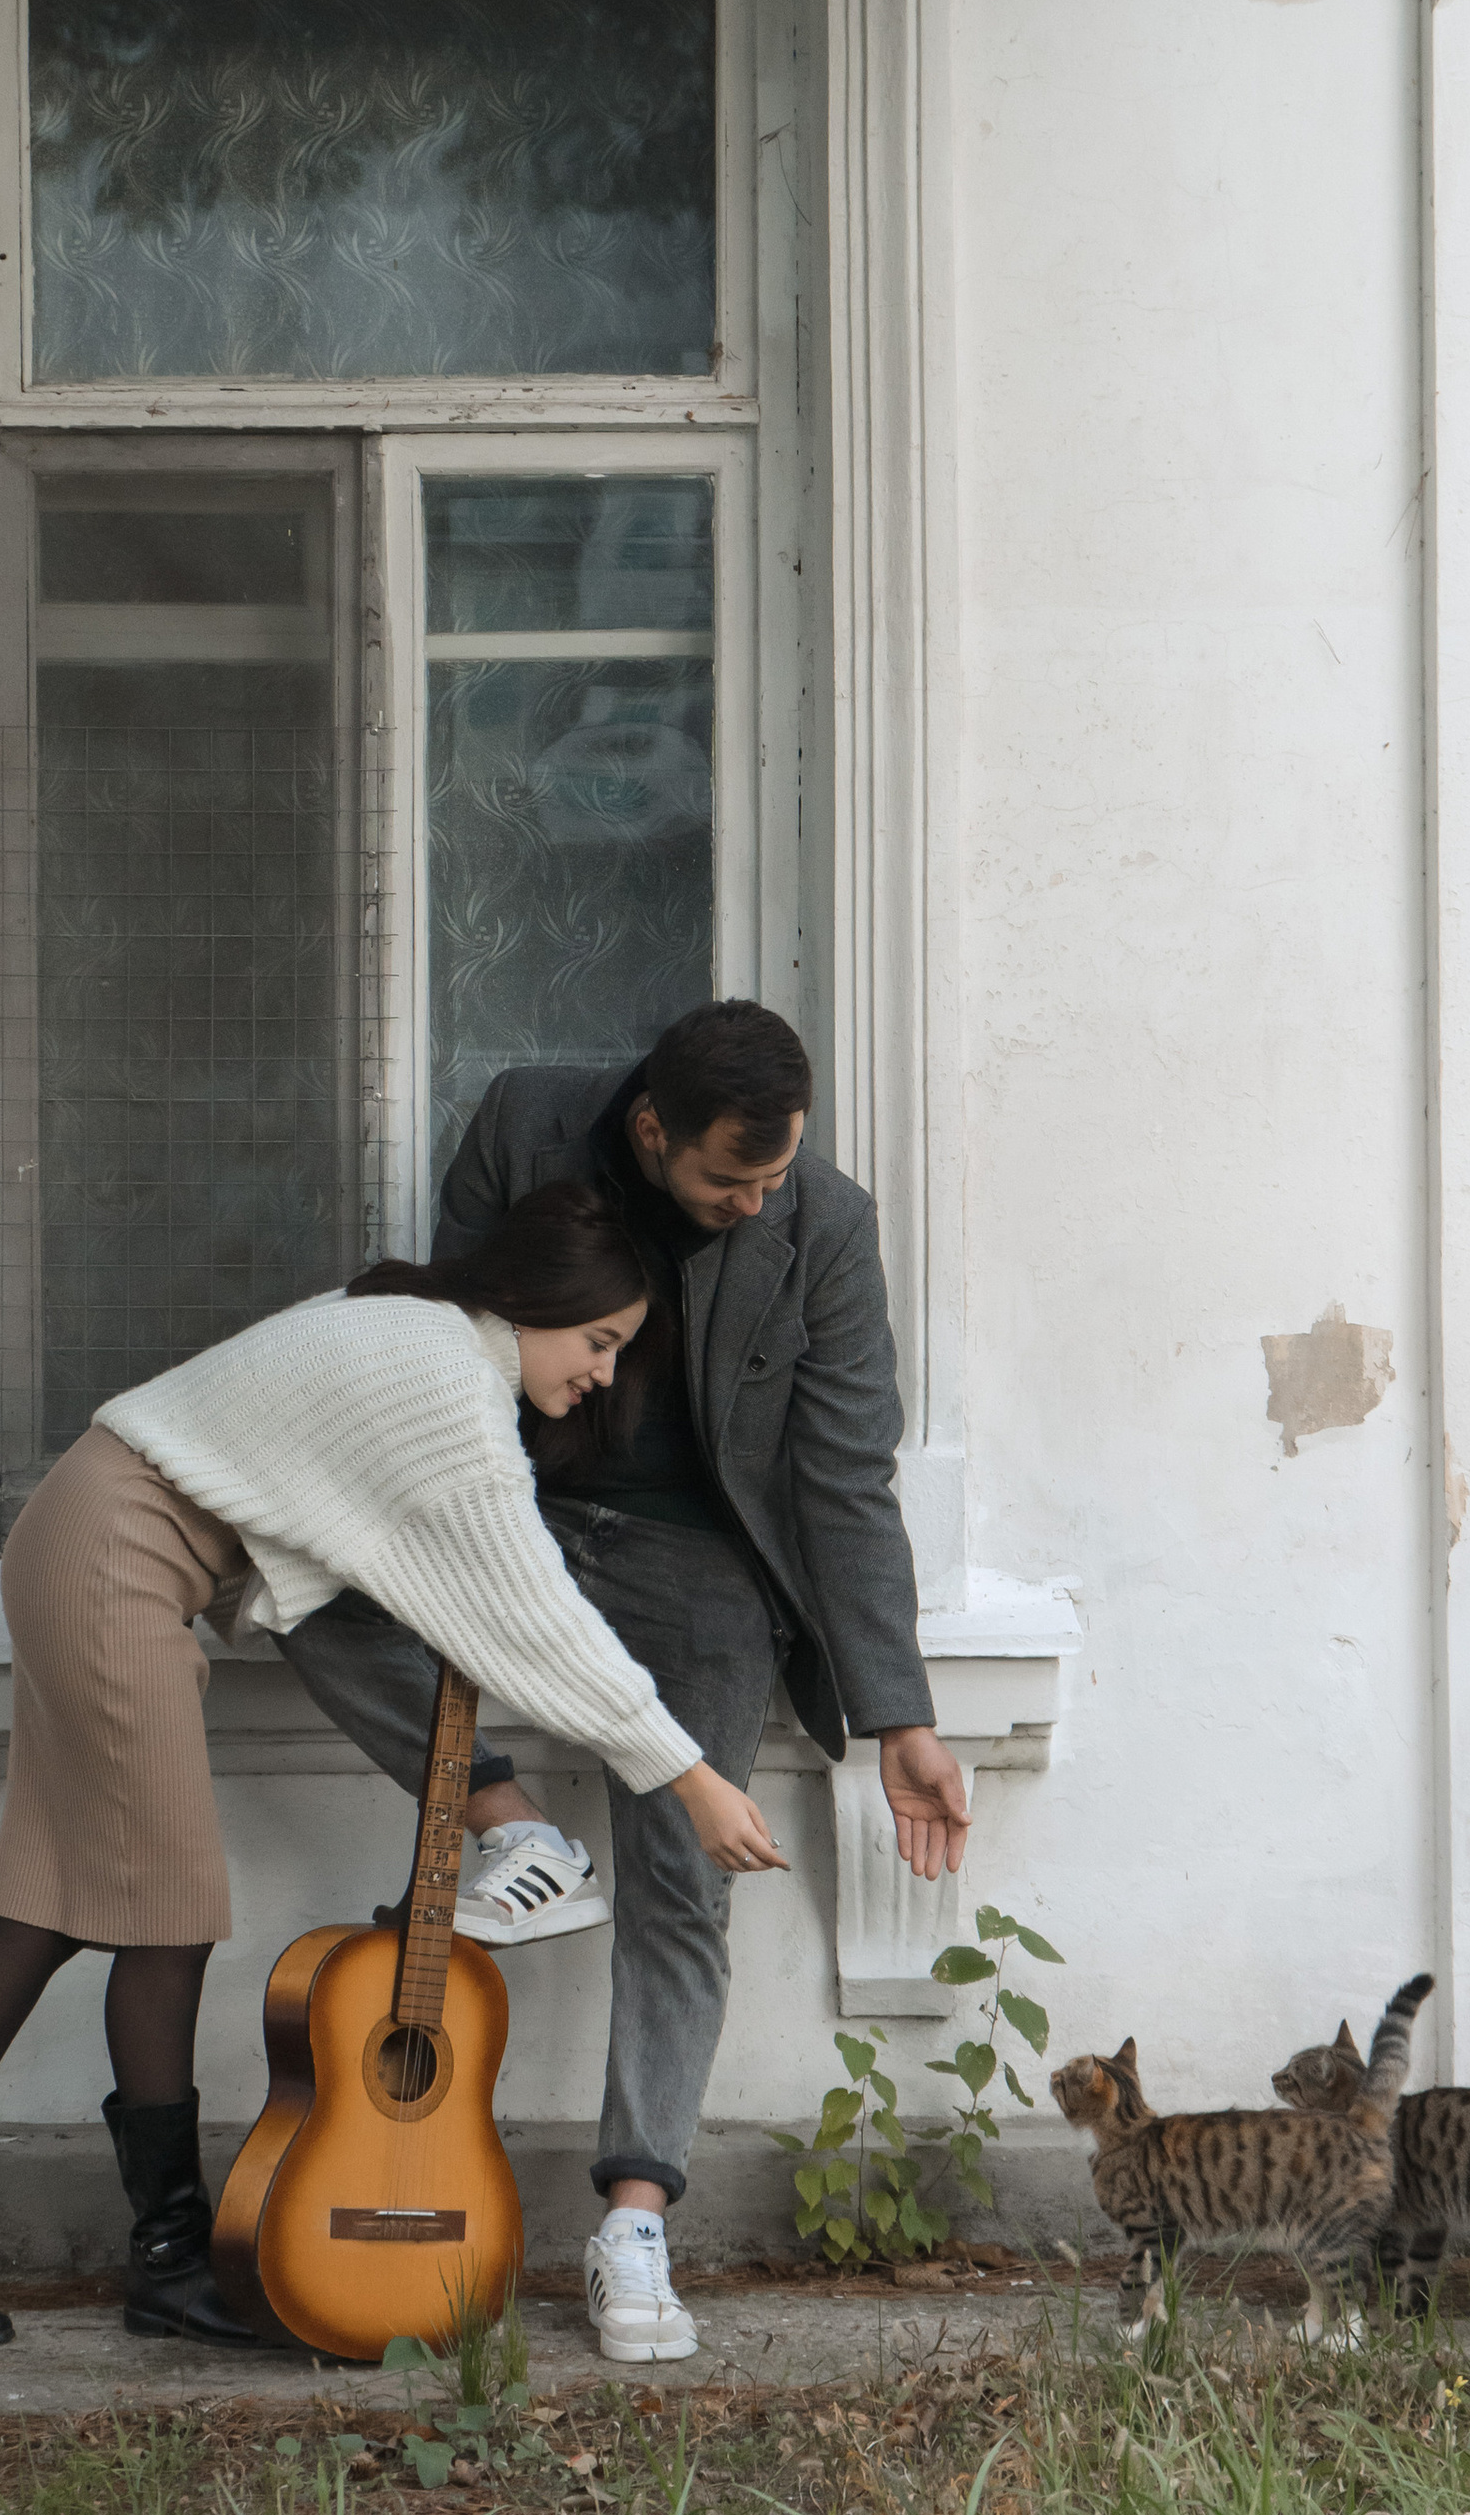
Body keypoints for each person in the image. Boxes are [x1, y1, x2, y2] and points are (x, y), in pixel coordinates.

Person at [0, 1184, 780, 2349]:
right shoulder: (444, 1379)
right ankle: (151, 2255)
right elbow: (533, 1613)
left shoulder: (417, 1335)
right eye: (600, 1341)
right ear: (533, 1304)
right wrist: (690, 1774)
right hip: (118, 1555)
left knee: (52, 1903)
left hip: (91, 1538)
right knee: (159, 1913)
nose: (606, 1374)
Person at [282, 998, 968, 2368]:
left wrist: (903, 1713)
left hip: (698, 1558)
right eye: (728, 1178)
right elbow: (445, 1339)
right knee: (307, 1596)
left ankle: (637, 2217)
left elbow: (841, 1475)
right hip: (508, 1507)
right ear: (653, 1130)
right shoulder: (530, 1121)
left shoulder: (822, 1226)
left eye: (772, 1176)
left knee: (682, 1870)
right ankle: (511, 1823)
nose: (753, 1201)